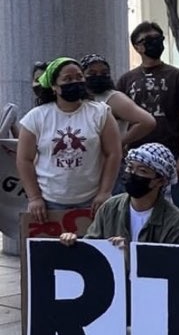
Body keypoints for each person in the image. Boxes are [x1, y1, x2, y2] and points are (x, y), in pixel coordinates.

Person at [17, 58, 123, 225]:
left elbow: (114, 153)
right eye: (67, 79)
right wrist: (34, 197)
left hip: (93, 200)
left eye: (79, 77)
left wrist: (104, 192)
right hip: (49, 203)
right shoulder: (35, 117)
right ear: (54, 86)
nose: (75, 82)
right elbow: (24, 159)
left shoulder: (101, 113)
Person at [116, 23, 179, 210]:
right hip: (136, 159)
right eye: (149, 40)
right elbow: (117, 118)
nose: (156, 43)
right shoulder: (126, 80)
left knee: (174, 209)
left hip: (171, 154)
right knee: (136, 207)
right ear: (137, 46)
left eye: (158, 39)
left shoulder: (178, 76)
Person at [61, 143, 179, 252]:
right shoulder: (110, 208)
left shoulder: (174, 223)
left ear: (161, 181)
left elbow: (173, 267)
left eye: (142, 171)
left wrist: (131, 256)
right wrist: (72, 242)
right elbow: (91, 248)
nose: (133, 174)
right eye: (130, 167)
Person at [79, 55, 156, 153]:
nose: (98, 76)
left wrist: (118, 143)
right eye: (92, 73)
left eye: (104, 73)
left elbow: (147, 122)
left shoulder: (113, 98)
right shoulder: (79, 99)